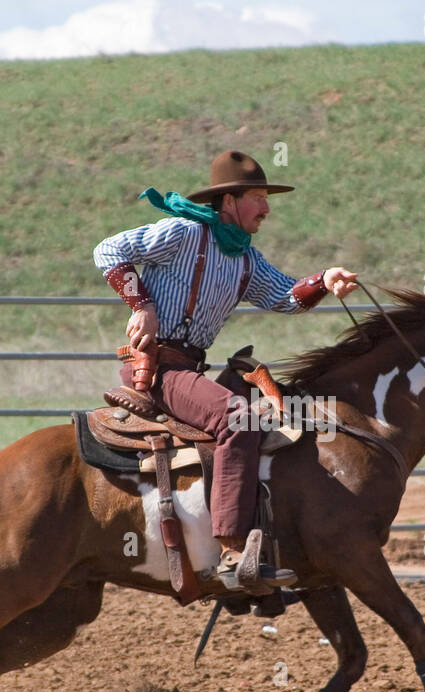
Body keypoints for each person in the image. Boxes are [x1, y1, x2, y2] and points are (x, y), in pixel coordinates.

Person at [94, 150, 358, 589]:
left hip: (188, 370)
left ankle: (267, 543)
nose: (267, 209)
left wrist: (324, 279)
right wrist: (141, 306)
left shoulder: (244, 258)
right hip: (158, 367)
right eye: (259, 197)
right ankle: (233, 550)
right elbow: (108, 250)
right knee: (239, 419)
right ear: (230, 200)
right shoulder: (182, 232)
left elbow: (285, 298)